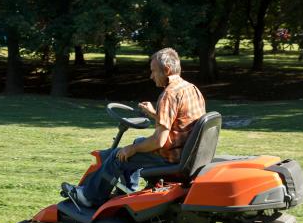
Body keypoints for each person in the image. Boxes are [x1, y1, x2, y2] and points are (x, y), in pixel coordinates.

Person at [65, 47, 206, 208]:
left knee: (118, 155)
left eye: (153, 71)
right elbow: (181, 123)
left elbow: (158, 142)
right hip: (187, 155)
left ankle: (89, 197)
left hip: (171, 158)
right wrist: (154, 114)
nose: (151, 76)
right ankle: (128, 192)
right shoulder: (191, 89)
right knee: (137, 141)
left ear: (166, 70)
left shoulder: (169, 94)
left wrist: (131, 149)